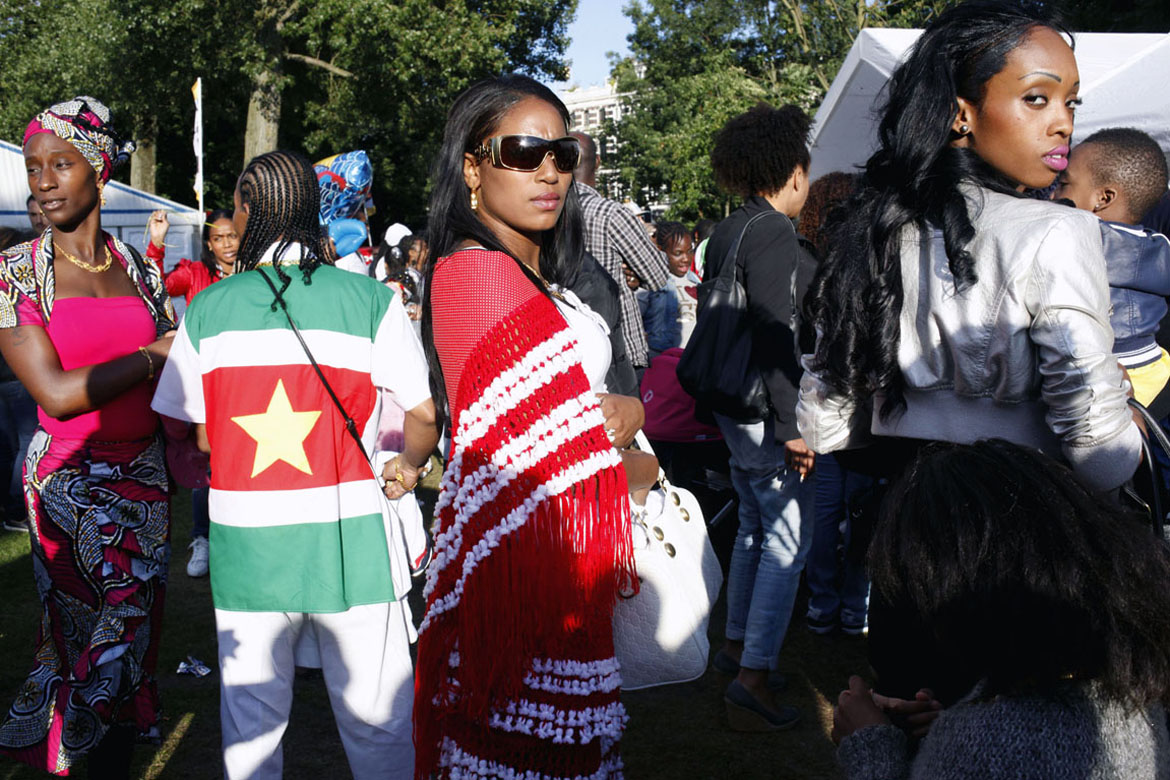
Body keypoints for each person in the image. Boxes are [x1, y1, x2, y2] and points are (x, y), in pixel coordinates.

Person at [797, 0, 1142, 701]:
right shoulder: (1056, 233)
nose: (1063, 123)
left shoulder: (871, 230)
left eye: (1071, 101)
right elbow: (1099, 449)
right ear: (961, 112)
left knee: (914, 730)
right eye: (1037, 97)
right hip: (1022, 543)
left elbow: (824, 424)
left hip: (906, 537)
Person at [152, 150, 435, 779]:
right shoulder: (371, 300)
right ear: (311, 209)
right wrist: (409, 469)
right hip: (352, 537)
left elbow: (196, 434)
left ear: (249, 213)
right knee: (379, 720)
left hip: (248, 543)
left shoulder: (207, 308)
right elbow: (423, 417)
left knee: (251, 726)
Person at [416, 73, 650, 780]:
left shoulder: (524, 271)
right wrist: (648, 460)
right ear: (472, 167)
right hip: (522, 585)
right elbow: (569, 478)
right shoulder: (482, 275)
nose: (549, 171)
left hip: (542, 578)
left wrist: (630, 414)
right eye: (522, 152)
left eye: (562, 155)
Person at [0, 96, 175, 777]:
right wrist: (155, 354)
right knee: (87, 642)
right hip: (68, 484)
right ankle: (73, 760)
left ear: (99, 171)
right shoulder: (15, 275)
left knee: (129, 647)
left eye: (60, 164)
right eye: (34, 168)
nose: (42, 181)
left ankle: (94, 756)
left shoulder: (141, 269)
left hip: (148, 481)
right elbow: (57, 393)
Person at [833, 439, 1170, 779]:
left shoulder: (991, 740)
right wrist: (951, 722)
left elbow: (1004, 751)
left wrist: (869, 743)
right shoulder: (1128, 684)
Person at [701, 102, 819, 732]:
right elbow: (778, 336)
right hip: (760, 405)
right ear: (791, 172)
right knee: (786, 540)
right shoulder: (773, 232)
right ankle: (754, 674)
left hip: (729, 401)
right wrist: (793, 427)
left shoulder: (729, 229)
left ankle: (736, 647)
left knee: (752, 523)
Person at [798, 172, 874, 637]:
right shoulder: (872, 266)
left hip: (824, 406)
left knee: (827, 513)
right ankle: (850, 607)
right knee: (858, 511)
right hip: (863, 409)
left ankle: (826, 605)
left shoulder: (814, 270)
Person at [143, 208, 238, 577]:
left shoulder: (253, 272)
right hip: (201, 379)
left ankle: (235, 536)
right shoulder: (195, 274)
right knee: (204, 458)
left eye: (232, 236)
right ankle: (203, 539)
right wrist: (156, 243)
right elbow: (155, 287)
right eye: (219, 238)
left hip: (241, 377)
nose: (227, 244)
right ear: (208, 243)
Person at [1055, 127, 1170, 409]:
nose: (1052, 196)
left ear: (1103, 198)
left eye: (1063, 184)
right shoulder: (1158, 244)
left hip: (1111, 374)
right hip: (1154, 366)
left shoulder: (1078, 239)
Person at [570, 130, 669, 371]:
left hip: (571, 351)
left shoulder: (545, 216)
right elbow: (658, 277)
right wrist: (632, 274)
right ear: (598, 162)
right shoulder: (610, 214)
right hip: (619, 349)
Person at [657, 220, 700, 347]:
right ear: (661, 252)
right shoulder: (652, 285)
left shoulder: (695, 281)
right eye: (678, 253)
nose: (686, 258)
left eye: (689, 251)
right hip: (664, 360)